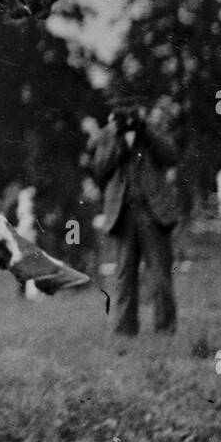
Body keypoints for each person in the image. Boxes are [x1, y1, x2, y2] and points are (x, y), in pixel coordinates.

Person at [88, 97, 181, 336]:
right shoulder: (109, 134)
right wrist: (118, 138)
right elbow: (99, 168)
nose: (128, 117)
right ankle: (124, 331)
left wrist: (145, 130)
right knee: (124, 275)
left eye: (132, 112)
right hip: (122, 213)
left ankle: (165, 329)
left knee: (160, 274)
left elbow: (170, 155)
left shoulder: (153, 129)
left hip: (153, 211)